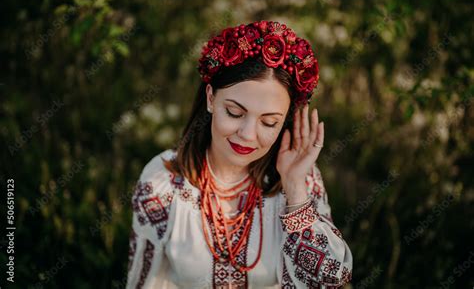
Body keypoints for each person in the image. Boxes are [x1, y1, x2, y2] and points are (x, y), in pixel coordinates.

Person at [126, 21, 353, 288]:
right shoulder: (163, 182)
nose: (247, 134)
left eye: (269, 123)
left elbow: (329, 281)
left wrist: (294, 188)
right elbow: (142, 281)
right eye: (235, 113)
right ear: (211, 98)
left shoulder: (301, 183)